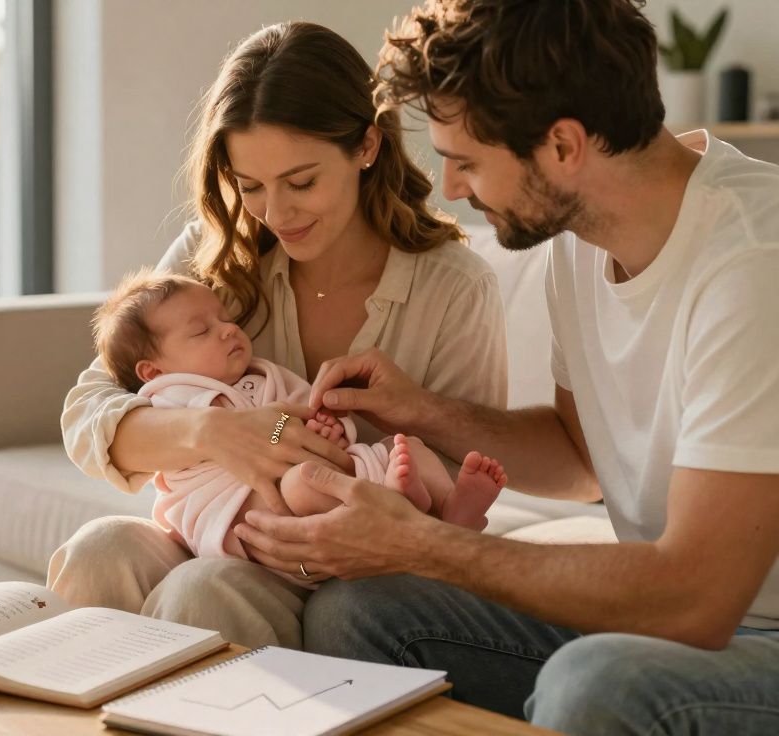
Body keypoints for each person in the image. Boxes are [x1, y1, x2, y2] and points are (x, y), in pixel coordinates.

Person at [231, 1, 779, 733]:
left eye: (466, 162)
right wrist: (423, 411)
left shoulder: (753, 262)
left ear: (563, 145)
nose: (451, 188)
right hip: (676, 621)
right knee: (357, 613)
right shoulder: (579, 240)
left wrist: (421, 543)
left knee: (596, 685)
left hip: (740, 628)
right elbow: (581, 462)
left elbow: (697, 599)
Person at [49, 20, 509, 650]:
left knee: (203, 590)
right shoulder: (215, 256)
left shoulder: (454, 288)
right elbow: (88, 410)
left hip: (367, 562)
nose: (275, 213)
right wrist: (214, 432)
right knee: (99, 551)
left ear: (367, 146)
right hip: (226, 528)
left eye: (301, 182)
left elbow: (459, 483)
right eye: (251, 187)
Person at [92, 269, 507, 576]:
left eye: (225, 318)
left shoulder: (264, 375)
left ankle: (450, 514)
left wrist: (328, 426)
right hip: (248, 511)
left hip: (331, 473)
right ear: (153, 370)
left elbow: (302, 413)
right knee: (303, 482)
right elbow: (273, 431)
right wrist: (278, 431)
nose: (228, 330)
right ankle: (404, 508)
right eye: (202, 331)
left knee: (407, 447)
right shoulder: (167, 399)